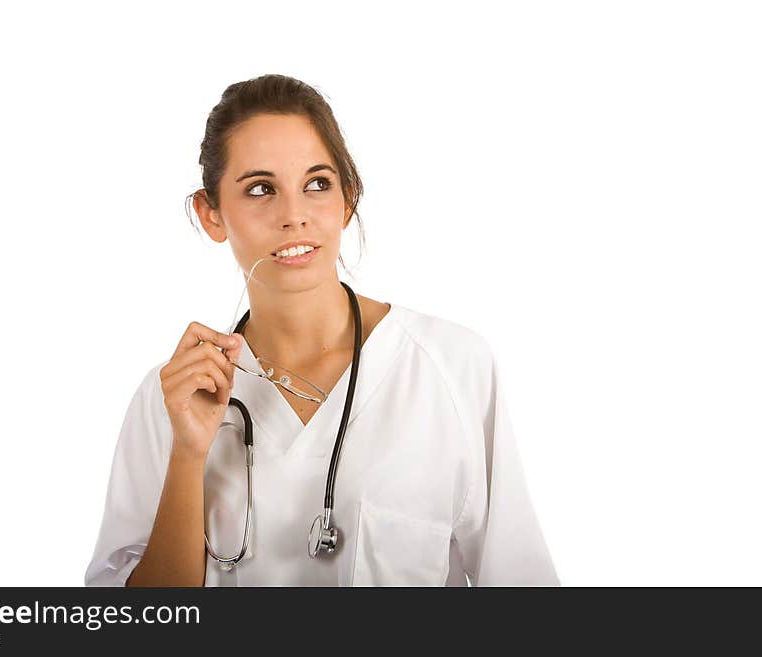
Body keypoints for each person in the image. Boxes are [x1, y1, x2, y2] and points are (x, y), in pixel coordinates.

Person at [84, 74, 559, 587]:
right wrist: (188, 454)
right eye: (261, 190)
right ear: (211, 214)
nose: (294, 216)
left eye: (317, 184)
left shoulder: (449, 366)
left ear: (347, 198)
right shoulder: (172, 399)